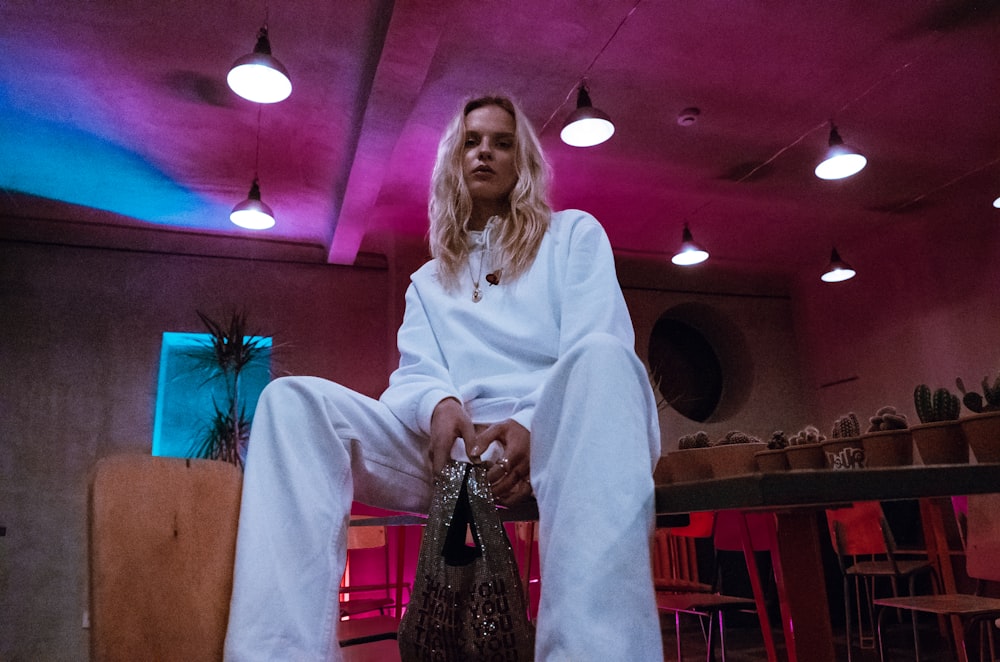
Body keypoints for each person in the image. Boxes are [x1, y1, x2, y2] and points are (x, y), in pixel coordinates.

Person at [223, 94, 663, 661]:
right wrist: (438, 404)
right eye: (471, 142)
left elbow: (592, 343)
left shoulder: (572, 237)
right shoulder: (429, 282)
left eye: (502, 143)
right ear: (454, 162)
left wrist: (531, 424)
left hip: (557, 441)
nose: (485, 152)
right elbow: (414, 376)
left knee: (605, 357)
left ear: (522, 161)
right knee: (290, 403)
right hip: (450, 457)